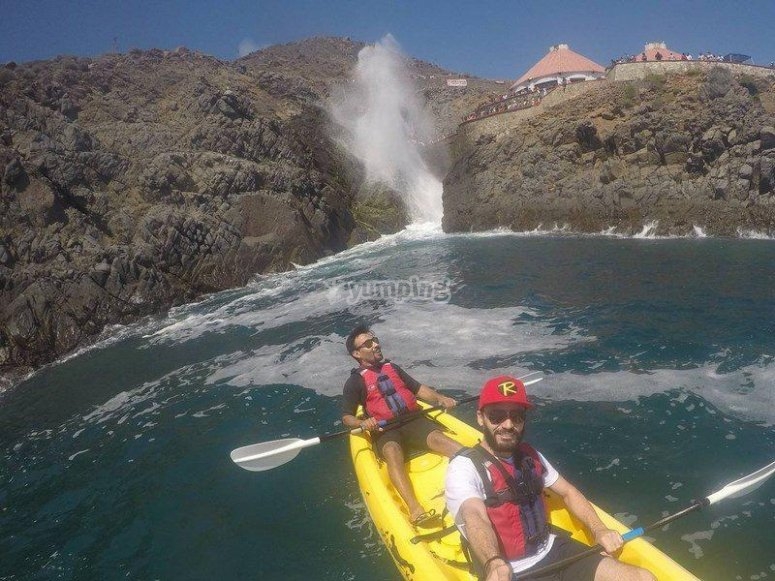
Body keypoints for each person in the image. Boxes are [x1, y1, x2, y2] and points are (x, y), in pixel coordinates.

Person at [445, 376, 656, 581]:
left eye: (517, 416)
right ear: (480, 417)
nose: (508, 424)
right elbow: (473, 516)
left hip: (553, 551)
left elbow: (568, 492)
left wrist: (599, 529)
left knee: (644, 578)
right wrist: (494, 562)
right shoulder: (464, 467)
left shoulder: (530, 455)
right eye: (497, 416)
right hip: (508, 570)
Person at [342, 325, 463, 526]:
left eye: (375, 340)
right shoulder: (354, 382)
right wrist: (363, 422)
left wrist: (440, 398)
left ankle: (487, 475)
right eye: (368, 343)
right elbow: (346, 417)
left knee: (442, 440)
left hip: (413, 421)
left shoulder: (393, 368)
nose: (376, 344)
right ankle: (416, 510)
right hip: (385, 429)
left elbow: (417, 389)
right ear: (357, 353)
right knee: (391, 452)